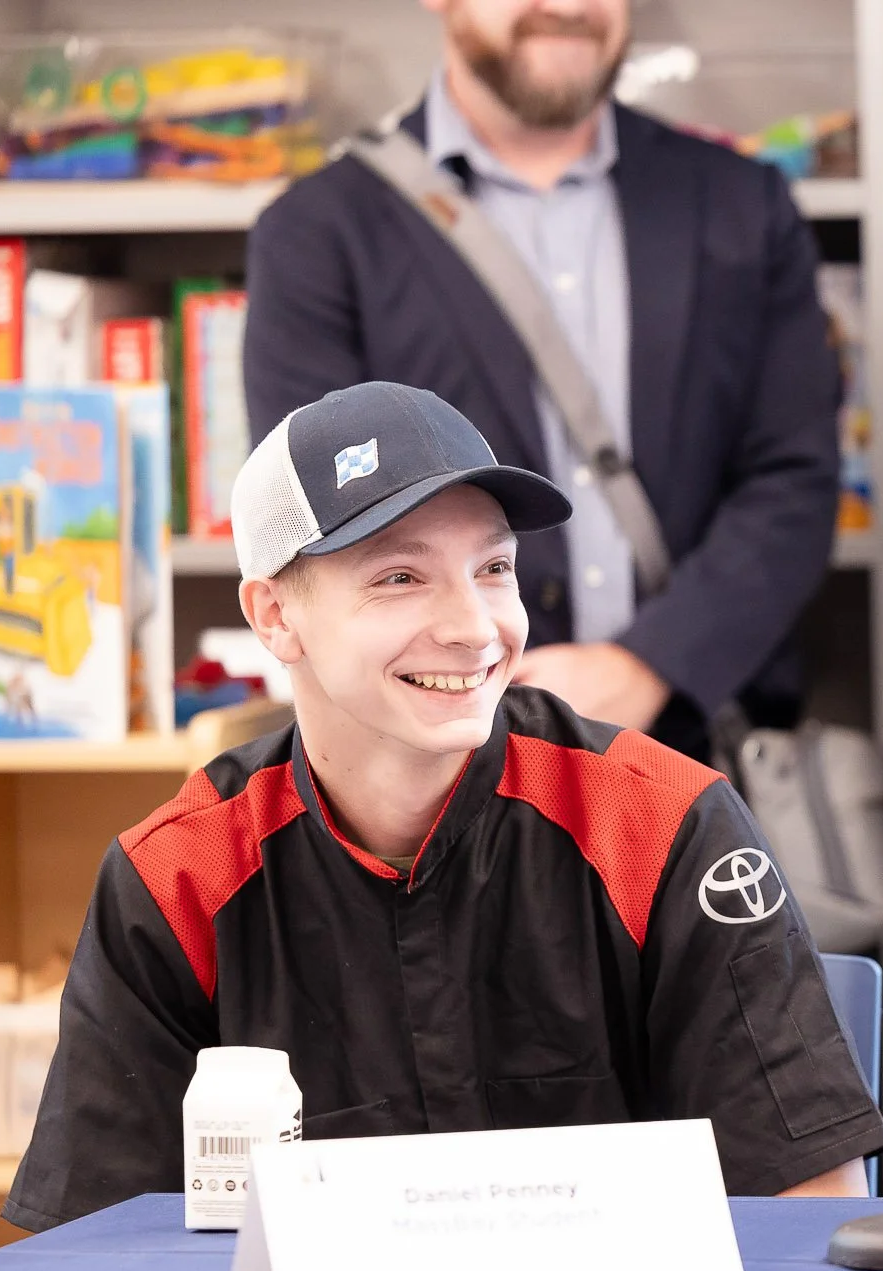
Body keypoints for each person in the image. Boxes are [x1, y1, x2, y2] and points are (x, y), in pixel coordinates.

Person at [5, 384, 883, 1232]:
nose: (474, 627)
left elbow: (811, 1204)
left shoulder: (661, 825)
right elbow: (94, 1254)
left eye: (493, 568)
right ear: (274, 616)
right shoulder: (175, 880)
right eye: (398, 577)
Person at [244, 0, 839, 763]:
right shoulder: (318, 232)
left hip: (699, 752)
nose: (565, 6)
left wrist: (647, 664)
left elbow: (794, 481)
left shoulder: (742, 204)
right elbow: (315, 518)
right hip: (435, 770)